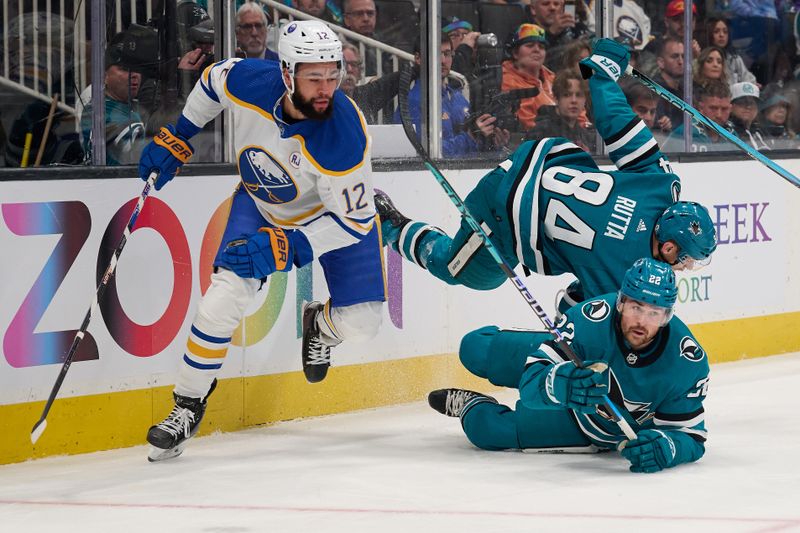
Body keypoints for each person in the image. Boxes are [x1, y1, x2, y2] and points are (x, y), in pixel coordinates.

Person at [139, 20, 385, 461]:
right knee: (224, 297)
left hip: (332, 220)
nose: (326, 87)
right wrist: (181, 132)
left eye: (333, 76)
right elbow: (213, 82)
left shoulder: (343, 135)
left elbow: (356, 224)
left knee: (364, 324)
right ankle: (186, 406)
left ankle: (319, 325)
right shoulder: (254, 79)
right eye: (314, 77)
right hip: (261, 202)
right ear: (287, 73)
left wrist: (289, 246)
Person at [376, 38, 717, 312]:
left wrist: (601, 74)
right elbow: (588, 324)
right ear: (670, 247)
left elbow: (619, 123)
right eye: (686, 260)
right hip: (503, 213)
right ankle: (390, 225)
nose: (685, 268)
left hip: (536, 162)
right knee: (456, 268)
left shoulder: (661, 184)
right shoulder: (622, 271)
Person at [428, 257, 710, 474]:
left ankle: (471, 404)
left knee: (486, 431)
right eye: (636, 307)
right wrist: (560, 383)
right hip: (568, 363)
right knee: (476, 348)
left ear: (667, 316)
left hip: (592, 427)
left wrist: (667, 448)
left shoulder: (686, 361)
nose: (641, 322)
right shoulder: (590, 319)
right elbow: (531, 383)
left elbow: (691, 438)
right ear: (621, 302)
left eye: (653, 313)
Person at [395, 36, 510, 156]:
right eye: (435, 54)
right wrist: (470, 137)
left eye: (447, 54)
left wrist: (492, 143)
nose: (443, 60)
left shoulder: (457, 97)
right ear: (418, 58)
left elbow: (472, 147)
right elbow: (423, 154)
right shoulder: (413, 102)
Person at [81, 28, 154, 165]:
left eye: (138, 68)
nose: (134, 74)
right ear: (104, 76)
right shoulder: (100, 113)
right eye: (125, 69)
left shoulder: (132, 107)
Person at [501, 23, 556, 130]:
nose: (537, 50)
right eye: (530, 45)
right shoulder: (506, 80)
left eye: (541, 47)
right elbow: (528, 125)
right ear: (515, 53)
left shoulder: (553, 78)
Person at [525, 69, 596, 151]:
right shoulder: (540, 133)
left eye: (579, 95)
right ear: (556, 98)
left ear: (585, 99)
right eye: (567, 95)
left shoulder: (585, 136)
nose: (574, 100)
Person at [664, 79, 735, 152]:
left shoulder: (732, 133)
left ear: (730, 109)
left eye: (724, 109)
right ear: (701, 108)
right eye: (713, 108)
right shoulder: (685, 134)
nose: (719, 115)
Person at [703, 16, 757, 86]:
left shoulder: (735, 59)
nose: (721, 35)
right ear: (709, 34)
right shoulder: (703, 58)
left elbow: (750, 80)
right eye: (716, 31)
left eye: (725, 32)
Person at [728, 81, 770, 150]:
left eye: (752, 103)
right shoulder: (727, 132)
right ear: (731, 106)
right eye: (742, 102)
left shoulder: (762, 131)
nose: (748, 106)